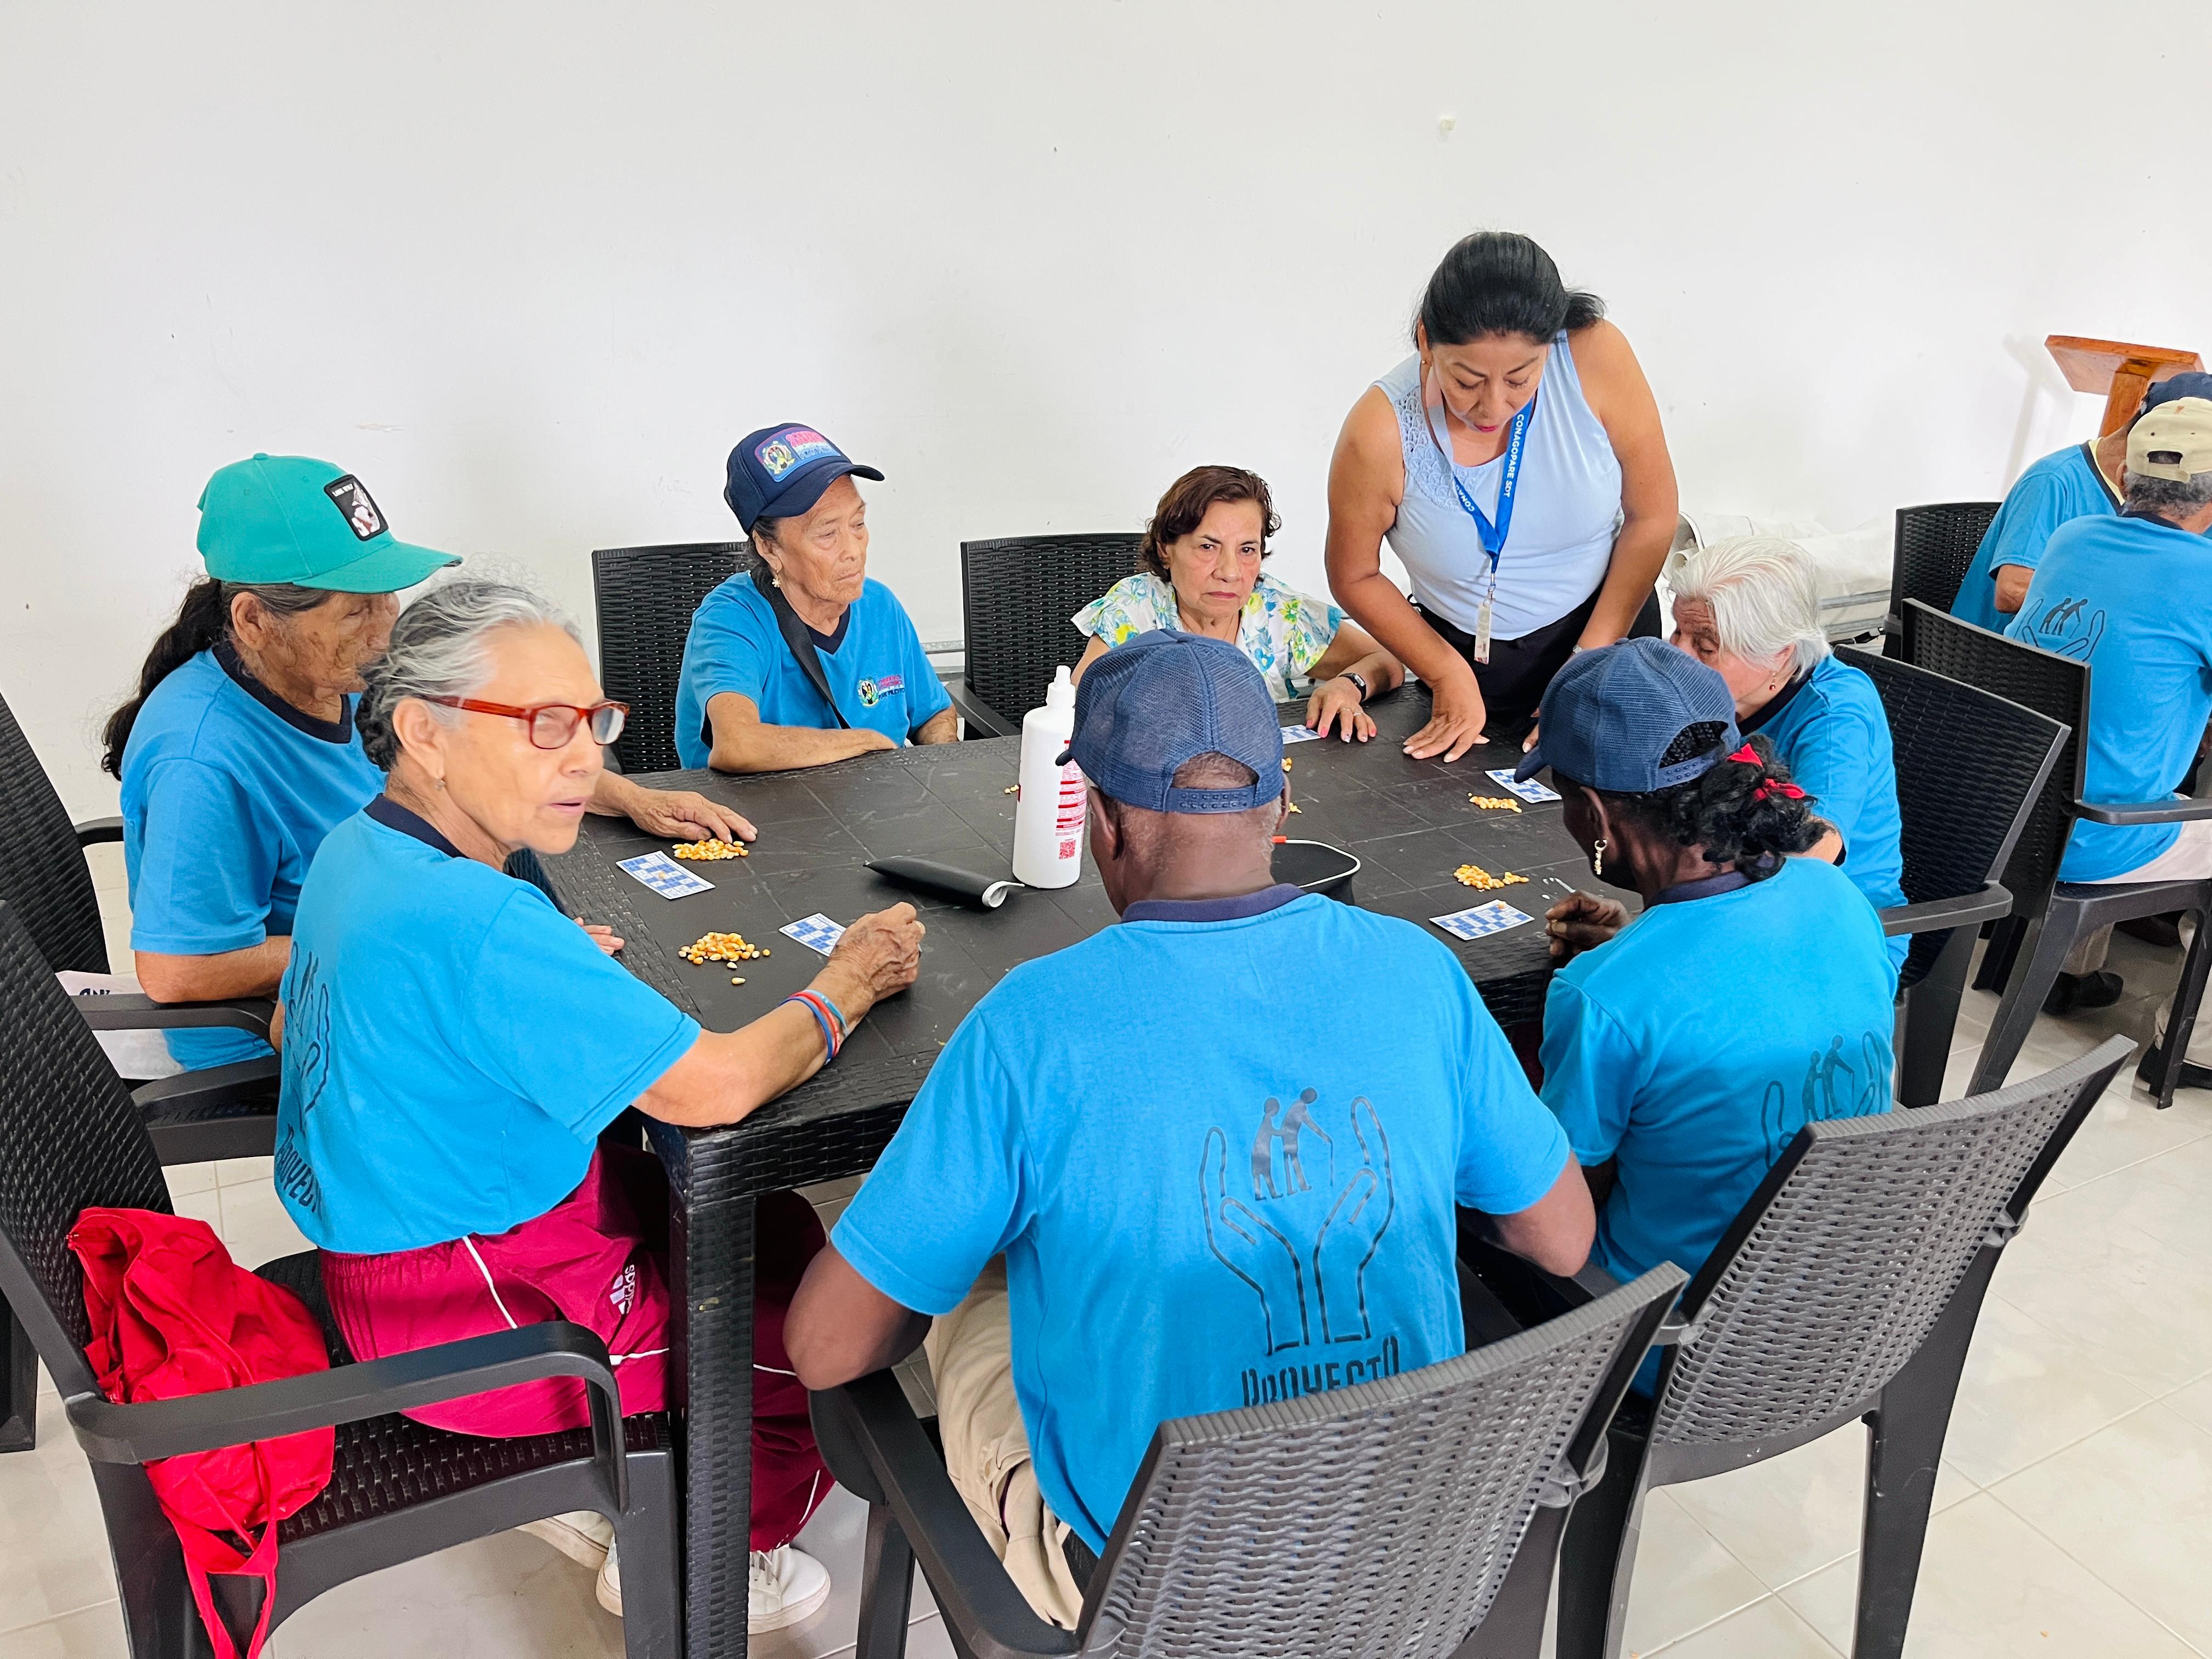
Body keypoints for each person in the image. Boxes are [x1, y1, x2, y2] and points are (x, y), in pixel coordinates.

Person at [782, 630, 1593, 1626]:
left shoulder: (1031, 1023)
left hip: (1157, 1594)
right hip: (1416, 1553)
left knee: (974, 1282)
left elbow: (825, 1348)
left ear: (1103, 822)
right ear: (1282, 804)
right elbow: (1562, 1239)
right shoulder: (1420, 970)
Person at [274, 579, 927, 1631]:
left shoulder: (361, 849)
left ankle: (643, 1462)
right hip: (469, 1310)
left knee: (777, 1227)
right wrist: (848, 981)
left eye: (593, 720)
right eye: (544, 724)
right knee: (808, 1344)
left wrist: (515, 979)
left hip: (403, 1241)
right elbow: (716, 1084)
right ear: (424, 732)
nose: (585, 756)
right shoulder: (478, 921)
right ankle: (715, 1547)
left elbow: (302, 1019)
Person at [105, 454, 753, 1073]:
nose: (386, 629)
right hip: (298, 1035)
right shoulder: (201, 761)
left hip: (401, 939)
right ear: (253, 620)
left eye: (386, 597)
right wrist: (468, 944)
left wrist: (633, 797)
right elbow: (179, 971)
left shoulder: (333, 673)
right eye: (357, 609)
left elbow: (481, 750)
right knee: (617, 1045)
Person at [1529, 640, 1896, 1383]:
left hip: (1671, 1351)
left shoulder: (1603, 998)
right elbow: (1748, 992)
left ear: (1595, 816)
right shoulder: (1839, 897)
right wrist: (1641, 945)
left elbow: (1565, 1223)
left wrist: (1628, 967)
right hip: (1838, 1324)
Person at [1325, 231, 1678, 760]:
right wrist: (1445, 673)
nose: (1493, 407)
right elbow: (1353, 574)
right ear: (1426, 342)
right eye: (1467, 381)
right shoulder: (1379, 430)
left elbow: (1653, 516)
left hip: (1608, 636)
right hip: (1468, 669)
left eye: (1520, 379)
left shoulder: (1595, 356)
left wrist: (1589, 659)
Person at [2004, 396, 2212, 1020]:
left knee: (2118, 754)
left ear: (2124, 474)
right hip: (2096, 835)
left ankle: (2069, 973)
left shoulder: (2071, 538)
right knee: (2144, 780)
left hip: (2007, 808)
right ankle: (2192, 1049)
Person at [1665, 535, 1908, 975]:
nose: (1679, 654)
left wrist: (1697, 919)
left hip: (1834, 931)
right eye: (1678, 631)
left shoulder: (1835, 715)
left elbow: (1816, 849)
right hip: (1731, 892)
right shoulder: (1717, 689)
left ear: (1780, 654)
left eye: (1706, 646)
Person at [675, 424, 957, 771]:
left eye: (858, 524)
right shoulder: (730, 620)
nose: (854, 551)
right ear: (769, 547)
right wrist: (866, 742)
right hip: (755, 805)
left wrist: (945, 769)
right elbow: (738, 745)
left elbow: (934, 713)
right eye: (827, 533)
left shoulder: (880, 606)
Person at [1071, 465, 1402, 738]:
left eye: (1247, 550)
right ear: (1165, 550)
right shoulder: (1136, 609)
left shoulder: (1277, 612)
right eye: (1207, 547)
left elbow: (1387, 660)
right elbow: (1081, 705)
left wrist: (1348, 686)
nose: (1230, 572)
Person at [1952, 371, 2212, 631]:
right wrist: (2131, 603)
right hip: (1994, 648)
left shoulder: (2189, 498)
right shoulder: (2054, 479)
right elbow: (2011, 592)